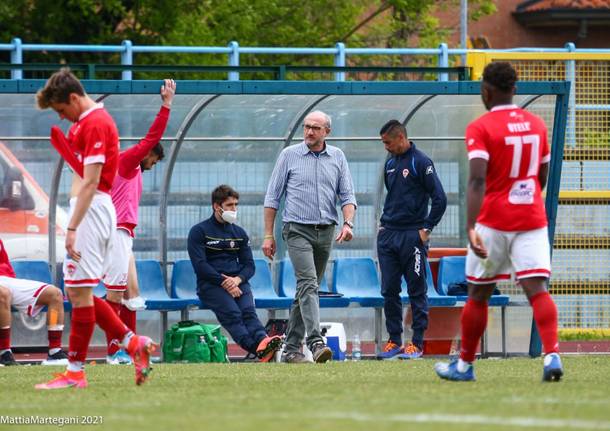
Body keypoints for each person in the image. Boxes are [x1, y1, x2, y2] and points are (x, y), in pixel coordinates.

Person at [435, 61, 562, 382]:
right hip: (532, 218)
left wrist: (471, 226)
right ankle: (551, 356)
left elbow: (477, 180)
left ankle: (464, 366)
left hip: (493, 220)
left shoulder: (480, 127)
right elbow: (542, 175)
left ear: (486, 91)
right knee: (537, 289)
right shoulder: (536, 124)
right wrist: (527, 195)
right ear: (514, 90)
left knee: (479, 293)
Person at [35, 68, 156, 389]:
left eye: (62, 110)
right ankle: (132, 343)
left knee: (79, 291)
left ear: (73, 98)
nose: (62, 117)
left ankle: (76, 372)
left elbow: (91, 181)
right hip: (87, 209)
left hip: (92, 210)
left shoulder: (98, 124)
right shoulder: (82, 125)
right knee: (80, 291)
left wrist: (72, 226)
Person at [263, 110, 357, 364]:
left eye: (315, 127)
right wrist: (268, 235)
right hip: (296, 230)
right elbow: (272, 198)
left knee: (306, 290)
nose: (309, 132)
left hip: (326, 230)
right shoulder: (289, 155)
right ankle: (316, 343)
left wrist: (348, 223)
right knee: (308, 284)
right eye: (306, 126)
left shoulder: (338, 157)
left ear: (327, 131)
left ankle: (292, 349)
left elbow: (348, 196)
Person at [103, 79, 175, 365]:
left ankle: (130, 347)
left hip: (124, 233)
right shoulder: (127, 161)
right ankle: (113, 350)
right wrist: (166, 105)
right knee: (116, 292)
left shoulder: (133, 171)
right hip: (115, 231)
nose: (152, 165)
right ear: (147, 153)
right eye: (154, 160)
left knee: (132, 293)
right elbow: (151, 137)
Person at [376, 120, 447, 360]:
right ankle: (394, 340)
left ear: (400, 138)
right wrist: (383, 227)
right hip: (388, 235)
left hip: (412, 236)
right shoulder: (390, 164)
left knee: (416, 289)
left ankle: (416, 342)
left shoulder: (421, 162)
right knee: (389, 290)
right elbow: (393, 197)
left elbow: (440, 198)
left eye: (387, 142)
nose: (385, 147)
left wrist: (426, 228)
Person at [188, 185, 282, 362]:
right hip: (211, 285)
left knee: (248, 312)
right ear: (217, 206)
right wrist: (225, 282)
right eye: (230, 205)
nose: (234, 209)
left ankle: (263, 341)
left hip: (238, 282)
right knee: (233, 315)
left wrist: (237, 280)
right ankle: (258, 350)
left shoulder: (239, 233)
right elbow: (200, 265)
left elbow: (249, 265)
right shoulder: (199, 231)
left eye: (236, 205)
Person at [0, 238, 69, 366]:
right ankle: (4, 353)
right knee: (3, 293)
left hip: (7, 280)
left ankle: (54, 351)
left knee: (55, 294)